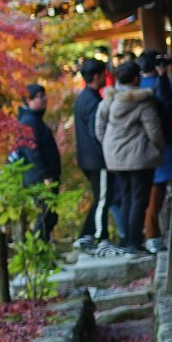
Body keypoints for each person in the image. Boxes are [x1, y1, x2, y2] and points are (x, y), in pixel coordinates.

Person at [94, 59, 164, 256]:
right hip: (140, 156)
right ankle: (135, 244)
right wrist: (156, 149)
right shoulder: (142, 101)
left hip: (115, 156)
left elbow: (99, 128)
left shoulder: (108, 99)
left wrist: (108, 147)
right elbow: (154, 130)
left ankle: (126, 241)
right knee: (139, 200)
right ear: (136, 78)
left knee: (125, 198)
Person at [140, 51, 172, 251]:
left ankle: (152, 233)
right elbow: (168, 99)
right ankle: (153, 233)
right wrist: (163, 77)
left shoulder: (137, 88)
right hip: (165, 143)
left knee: (154, 190)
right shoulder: (157, 86)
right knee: (158, 189)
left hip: (145, 148)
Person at [71, 59, 110, 250]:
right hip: (97, 158)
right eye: (104, 74)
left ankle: (87, 235)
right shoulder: (93, 101)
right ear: (96, 76)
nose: (106, 77)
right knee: (103, 198)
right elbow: (98, 132)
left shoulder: (83, 98)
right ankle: (99, 237)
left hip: (87, 158)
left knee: (100, 197)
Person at [15, 82, 61, 240]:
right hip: (39, 178)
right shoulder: (29, 121)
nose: (44, 99)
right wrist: (45, 176)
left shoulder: (34, 120)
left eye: (44, 96)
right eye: (39, 97)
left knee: (50, 216)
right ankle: (39, 256)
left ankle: (43, 256)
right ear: (28, 101)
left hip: (43, 176)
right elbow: (33, 152)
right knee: (45, 216)